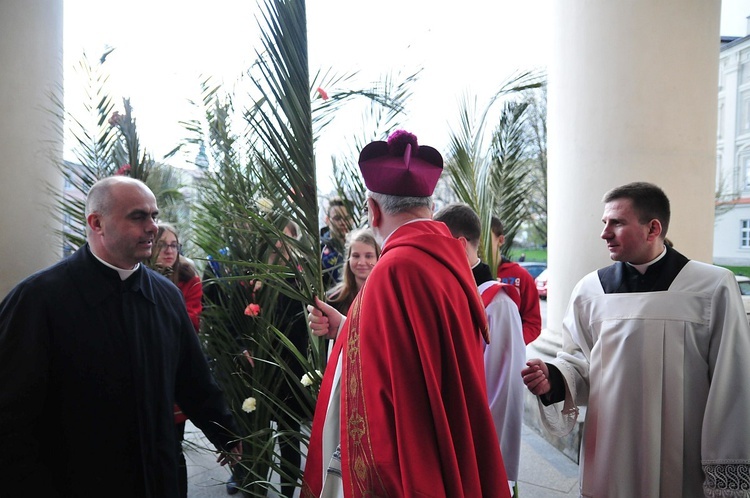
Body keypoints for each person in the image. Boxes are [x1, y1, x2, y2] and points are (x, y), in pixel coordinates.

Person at [0, 176, 241, 497]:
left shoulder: (167, 296)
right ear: (96, 222)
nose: (153, 226)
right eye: (138, 216)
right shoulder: (38, 299)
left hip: (157, 475)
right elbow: (12, 414)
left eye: (154, 216)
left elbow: (193, 379)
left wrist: (227, 434)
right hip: (75, 479)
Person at [302, 130, 509, 498]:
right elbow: (414, 350)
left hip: (417, 457)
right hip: (451, 436)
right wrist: (349, 327)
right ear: (429, 206)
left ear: (374, 209)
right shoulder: (451, 261)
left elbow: (384, 387)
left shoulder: (393, 269)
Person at [522, 181, 750, 497]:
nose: (605, 233)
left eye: (616, 223)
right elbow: (581, 363)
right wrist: (555, 379)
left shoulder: (711, 287)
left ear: (652, 228)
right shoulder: (591, 291)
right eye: (604, 223)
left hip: (684, 455)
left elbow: (732, 381)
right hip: (611, 453)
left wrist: (723, 463)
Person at [434, 203, 526, 497]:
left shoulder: (498, 303)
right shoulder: (451, 291)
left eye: (437, 244)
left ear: (458, 245)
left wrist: (486, 464)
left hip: (478, 456)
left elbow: (503, 392)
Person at [149, 223, 204, 498]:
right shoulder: (137, 274)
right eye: (163, 245)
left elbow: (190, 323)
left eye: (174, 245)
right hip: (146, 373)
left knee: (173, 448)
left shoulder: (187, 277)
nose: (169, 251)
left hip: (175, 372)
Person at [491, 216, 542, 344]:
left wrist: (513, 344)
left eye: (483, 239)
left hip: (511, 356)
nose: (478, 245)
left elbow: (533, 322)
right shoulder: (466, 274)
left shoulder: (521, 275)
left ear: (501, 240)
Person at [325, 227, 380, 315]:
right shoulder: (333, 300)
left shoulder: (389, 297)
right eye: (356, 256)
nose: (361, 262)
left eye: (368, 256)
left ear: (379, 257)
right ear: (348, 259)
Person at [320, 197, 352, 289]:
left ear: (352, 220)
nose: (343, 223)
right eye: (337, 218)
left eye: (347, 218)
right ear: (327, 220)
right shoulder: (319, 251)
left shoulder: (362, 246)